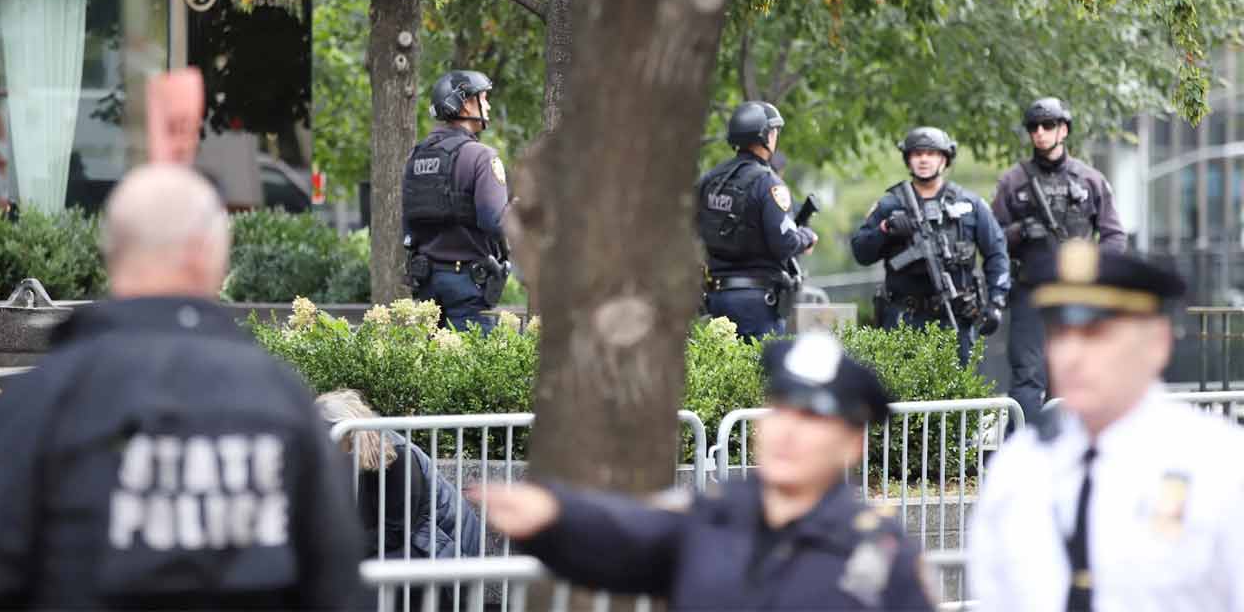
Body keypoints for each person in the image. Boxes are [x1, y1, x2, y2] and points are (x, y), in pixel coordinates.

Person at [0, 165, 362, 610]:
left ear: (111, 253)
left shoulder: (39, 403)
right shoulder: (282, 400)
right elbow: (337, 588)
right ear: (209, 254)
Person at [477, 331, 937, 610]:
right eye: (780, 409)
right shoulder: (714, 516)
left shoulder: (881, 555)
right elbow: (628, 533)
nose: (787, 431)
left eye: (812, 418)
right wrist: (553, 516)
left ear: (853, 445)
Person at [967, 239, 1244, 612]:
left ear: (1158, 343)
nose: (1071, 355)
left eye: (1095, 333)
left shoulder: (1221, 467)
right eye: (1060, 333)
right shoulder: (1020, 468)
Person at [992, 97, 1125, 426]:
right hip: (1031, 294)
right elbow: (992, 240)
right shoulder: (1013, 181)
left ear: (1063, 130)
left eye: (1048, 125)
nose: (1040, 132)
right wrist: (1020, 232)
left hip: (1076, 294)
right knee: (1027, 376)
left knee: (1071, 376)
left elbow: (1114, 236)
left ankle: (1069, 445)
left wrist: (1092, 270)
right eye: (1033, 127)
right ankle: (1023, 447)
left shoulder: (1089, 180)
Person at [851, 127, 1009, 366]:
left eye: (931, 153)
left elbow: (997, 254)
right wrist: (885, 229)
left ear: (944, 159)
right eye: (917, 154)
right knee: (901, 387)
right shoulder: (890, 205)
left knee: (958, 386)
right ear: (908, 159)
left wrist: (996, 303)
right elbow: (861, 253)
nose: (924, 159)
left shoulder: (970, 205)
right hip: (904, 321)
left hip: (956, 318)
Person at [316, 389, 481, 611]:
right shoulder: (354, 457)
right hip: (414, 544)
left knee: (355, 578)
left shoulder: (397, 455)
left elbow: (395, 531)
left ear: (347, 432)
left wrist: (341, 549)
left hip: (441, 550)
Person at [697, 100, 817, 339]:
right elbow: (785, 243)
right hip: (758, 305)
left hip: (716, 299)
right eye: (774, 131)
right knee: (760, 363)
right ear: (766, 135)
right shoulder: (769, 183)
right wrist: (806, 237)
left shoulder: (710, 180)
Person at [403, 70, 510, 334]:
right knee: (472, 359)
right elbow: (495, 222)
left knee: (429, 358)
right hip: (468, 286)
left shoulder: (416, 156)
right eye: (483, 98)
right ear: (465, 103)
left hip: (426, 283)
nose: (488, 105)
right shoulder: (481, 157)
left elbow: (408, 224)